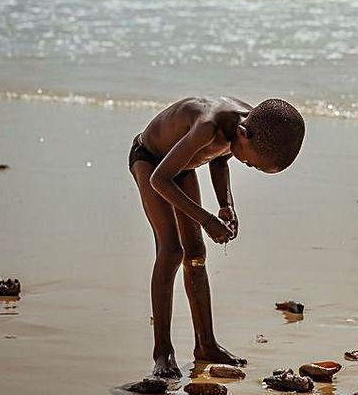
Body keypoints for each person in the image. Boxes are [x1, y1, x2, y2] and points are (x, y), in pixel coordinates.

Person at [129, 97, 305, 377]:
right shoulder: (207, 126)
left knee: (196, 253)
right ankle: (162, 351)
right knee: (172, 251)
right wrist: (207, 220)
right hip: (151, 161)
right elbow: (159, 180)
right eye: (252, 164)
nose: (248, 165)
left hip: (182, 167)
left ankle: (205, 344)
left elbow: (220, 161)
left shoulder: (247, 123)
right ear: (244, 135)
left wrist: (227, 206)